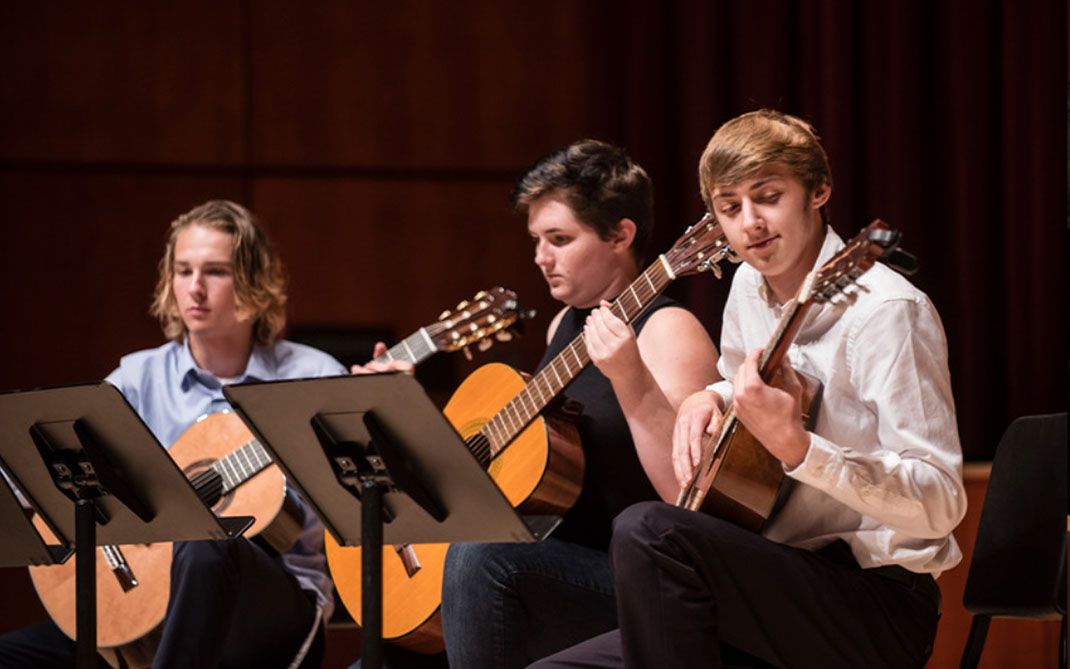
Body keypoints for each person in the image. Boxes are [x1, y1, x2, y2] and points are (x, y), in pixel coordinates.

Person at [532, 109, 968, 669]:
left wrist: (801, 450)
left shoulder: (887, 312)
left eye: (768, 197)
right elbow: (736, 374)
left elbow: (941, 503)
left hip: (876, 603)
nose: (751, 224)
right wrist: (707, 397)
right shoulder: (747, 284)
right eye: (729, 207)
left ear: (819, 191)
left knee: (648, 529)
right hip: (770, 578)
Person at [0, 200, 348, 668]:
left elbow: (351, 503)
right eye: (183, 271)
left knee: (207, 543)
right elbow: (45, 468)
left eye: (216, 271)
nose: (195, 289)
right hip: (143, 606)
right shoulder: (138, 377)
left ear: (253, 280)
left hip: (272, 606)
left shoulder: (315, 378)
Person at [439, 139, 721, 668]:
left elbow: (692, 497)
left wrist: (630, 375)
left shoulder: (669, 330)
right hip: (558, 563)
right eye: (536, 240)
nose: (540, 257)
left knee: (482, 559)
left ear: (621, 234)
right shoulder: (562, 326)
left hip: (644, 585)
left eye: (559, 239)